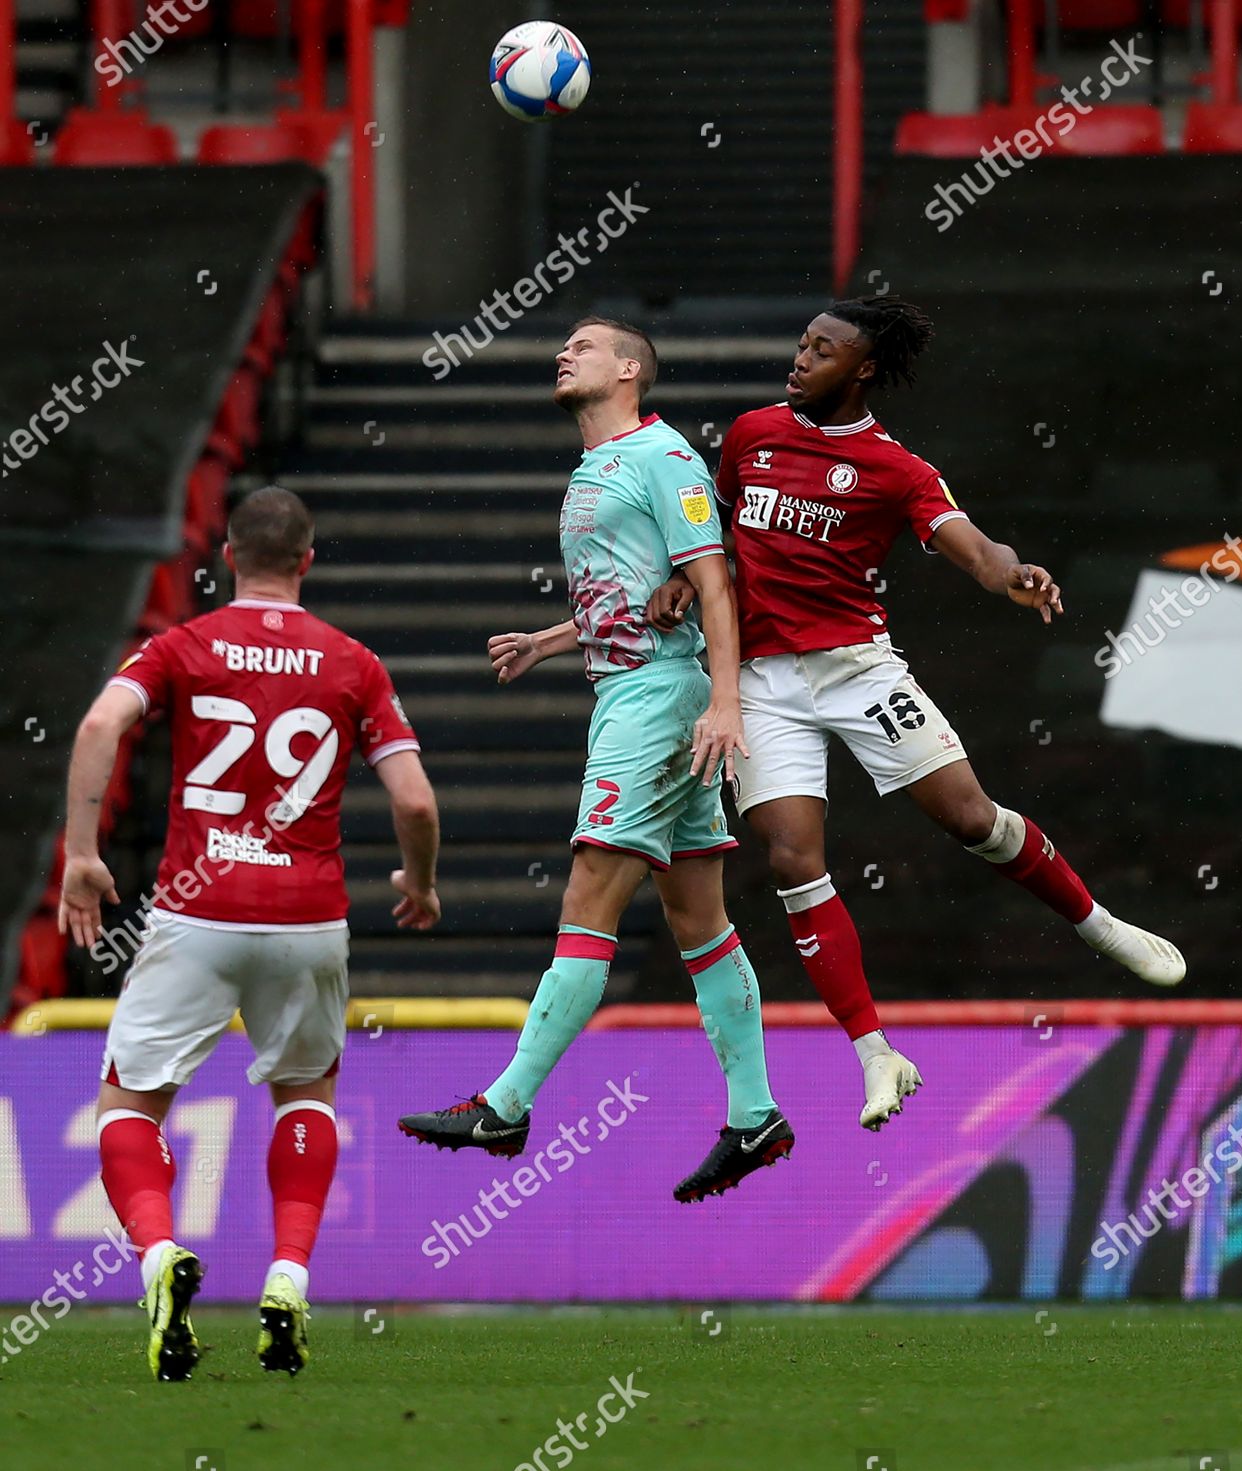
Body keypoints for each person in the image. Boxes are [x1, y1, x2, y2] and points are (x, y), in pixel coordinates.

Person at [646, 296, 1186, 1128]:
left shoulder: (898, 470)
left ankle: (1098, 923)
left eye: (822, 350)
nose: (801, 358)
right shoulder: (753, 433)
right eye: (801, 344)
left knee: (972, 819)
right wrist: (686, 577)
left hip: (858, 671)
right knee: (792, 861)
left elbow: (974, 547)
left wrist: (1013, 573)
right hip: (759, 682)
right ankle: (877, 1055)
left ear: (862, 369)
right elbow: (715, 536)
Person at [397, 318, 793, 1204]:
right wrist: (547, 639)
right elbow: (631, 594)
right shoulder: (593, 468)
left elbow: (715, 582)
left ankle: (506, 1105)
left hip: (658, 700)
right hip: (635, 689)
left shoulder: (664, 458)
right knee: (699, 919)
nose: (564, 353)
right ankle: (755, 1113)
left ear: (629, 370)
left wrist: (725, 703)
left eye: (584, 345)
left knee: (588, 896)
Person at [59, 486, 440, 1380]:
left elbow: (98, 724)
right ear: (308, 561)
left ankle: (158, 1257)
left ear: (228, 555)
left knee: (131, 1105)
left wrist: (82, 853)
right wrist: (417, 883)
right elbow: (415, 799)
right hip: (308, 918)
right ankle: (288, 1279)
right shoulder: (353, 662)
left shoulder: (183, 644)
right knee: (306, 1096)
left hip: (198, 910)